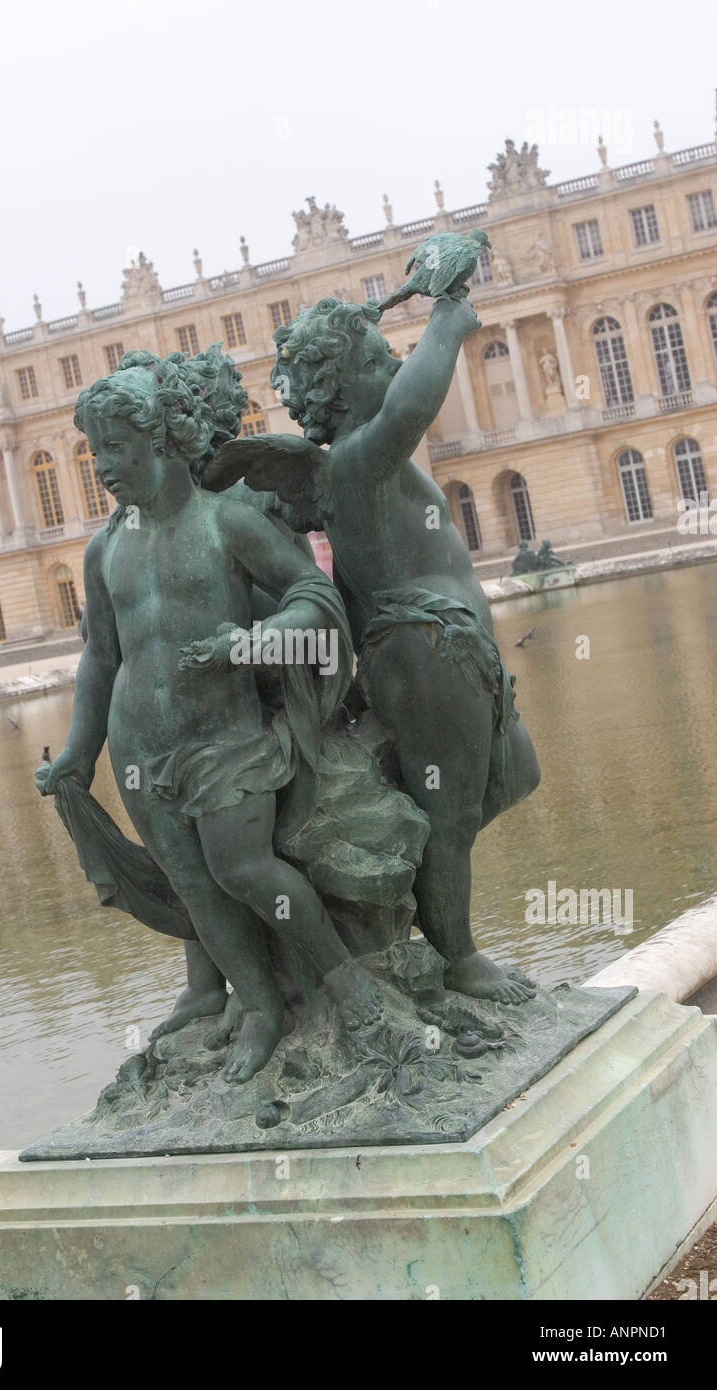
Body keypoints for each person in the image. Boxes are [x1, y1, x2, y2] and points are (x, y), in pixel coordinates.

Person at [39, 352, 381, 1083]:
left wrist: (252, 642)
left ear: (161, 439)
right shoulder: (106, 548)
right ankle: (259, 1007)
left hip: (225, 738)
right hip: (140, 745)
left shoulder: (227, 523)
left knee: (245, 869)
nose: (103, 467)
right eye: (95, 453)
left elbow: (314, 598)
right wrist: (77, 752)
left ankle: (349, 986)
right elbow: (101, 657)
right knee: (195, 886)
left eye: (116, 448)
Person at [235, 290, 541, 1004]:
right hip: (419, 649)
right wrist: (449, 319)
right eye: (379, 360)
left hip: (453, 644)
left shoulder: (360, 463)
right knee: (452, 812)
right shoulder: (355, 459)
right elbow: (411, 406)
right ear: (344, 385)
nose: (396, 365)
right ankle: (458, 957)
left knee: (513, 774)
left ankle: (406, 872)